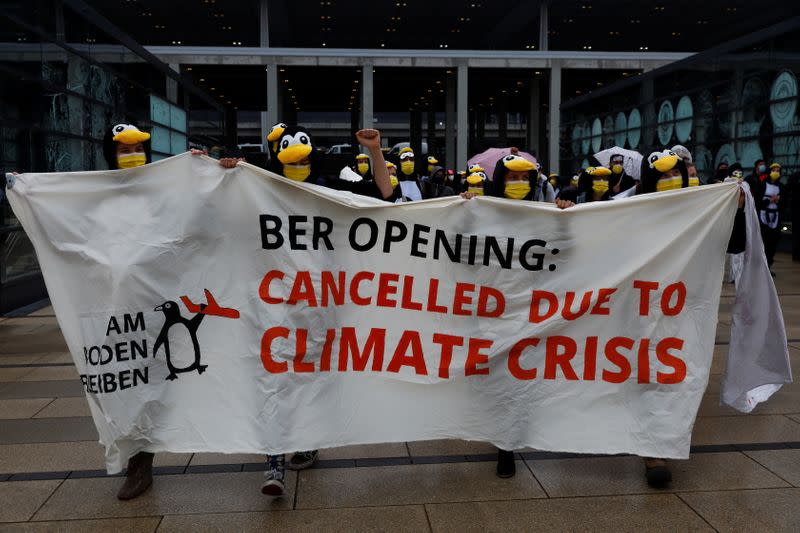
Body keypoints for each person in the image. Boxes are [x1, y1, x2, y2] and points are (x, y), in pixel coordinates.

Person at [260, 127, 397, 497]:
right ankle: (274, 460)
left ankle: (305, 439)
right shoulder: (263, 191)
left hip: (322, 305)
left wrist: (376, 152)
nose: (300, 166)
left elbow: (386, 195)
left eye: (305, 160)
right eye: (294, 161)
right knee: (277, 378)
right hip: (276, 305)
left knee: (313, 378)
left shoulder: (332, 189)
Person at [638, 148, 746, 487]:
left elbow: (736, 243)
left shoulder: (701, 208)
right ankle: (654, 449)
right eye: (662, 177)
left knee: (675, 374)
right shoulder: (635, 210)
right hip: (643, 307)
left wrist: (735, 210)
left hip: (684, 308)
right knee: (649, 374)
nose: (671, 181)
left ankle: (661, 443)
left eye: (675, 174)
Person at [101, 124, 157, 501]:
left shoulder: (163, 189)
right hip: (119, 308)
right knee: (131, 383)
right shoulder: (97, 193)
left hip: (163, 303)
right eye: (125, 150)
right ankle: (139, 463)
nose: (133, 155)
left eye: (138, 149)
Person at [755, 163, 785, 274]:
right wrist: (769, 200)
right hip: (763, 216)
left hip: (775, 217)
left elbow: (784, 204)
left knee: (773, 242)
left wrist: (778, 201)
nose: (776, 172)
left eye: (778, 171)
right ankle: (760, 266)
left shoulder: (781, 187)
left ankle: (768, 266)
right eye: (774, 170)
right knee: (763, 242)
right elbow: (757, 202)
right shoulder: (762, 185)